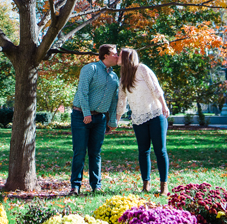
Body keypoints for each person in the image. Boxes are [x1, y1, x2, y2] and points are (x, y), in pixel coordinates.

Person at [115, 47, 171, 195]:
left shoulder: (142, 69)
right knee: (143, 151)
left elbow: (156, 89)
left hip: (155, 115)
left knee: (160, 150)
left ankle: (164, 186)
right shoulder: (123, 78)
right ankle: (146, 184)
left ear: (127, 57)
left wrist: (164, 107)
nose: (117, 57)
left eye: (120, 54)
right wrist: (116, 120)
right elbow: (121, 101)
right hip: (138, 119)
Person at [69, 44, 120, 195]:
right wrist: (86, 113)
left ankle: (96, 185)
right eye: (115, 54)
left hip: (100, 119)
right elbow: (82, 92)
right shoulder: (90, 69)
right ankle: (75, 186)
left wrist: (112, 122)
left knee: (95, 153)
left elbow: (113, 101)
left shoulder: (114, 77)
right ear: (106, 55)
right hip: (81, 116)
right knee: (79, 152)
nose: (117, 57)